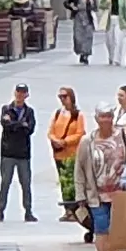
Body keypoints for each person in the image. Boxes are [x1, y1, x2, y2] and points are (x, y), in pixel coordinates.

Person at [82, 109, 126, 251]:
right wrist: (80, 194)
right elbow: (80, 170)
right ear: (96, 119)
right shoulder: (88, 141)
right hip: (97, 193)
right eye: (102, 117)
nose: (106, 120)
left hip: (119, 192)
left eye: (109, 116)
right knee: (101, 228)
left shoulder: (124, 137)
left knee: (115, 229)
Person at [0, 90, 40, 223]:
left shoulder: (29, 111)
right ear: (14, 93)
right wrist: (21, 124)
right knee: (5, 183)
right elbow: (5, 125)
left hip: (23, 153)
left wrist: (15, 124)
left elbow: (30, 129)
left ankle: (28, 211)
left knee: (26, 183)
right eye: (18, 92)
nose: (20, 95)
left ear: (26, 95)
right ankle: (0, 211)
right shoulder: (6, 109)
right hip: (8, 152)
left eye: (23, 93)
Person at [49, 85, 88, 223]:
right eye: (60, 97)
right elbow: (51, 131)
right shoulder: (58, 113)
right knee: (63, 181)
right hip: (59, 153)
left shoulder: (78, 115)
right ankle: (67, 209)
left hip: (72, 153)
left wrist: (66, 141)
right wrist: (55, 140)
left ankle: (75, 209)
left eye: (64, 96)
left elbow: (80, 133)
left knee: (73, 181)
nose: (62, 100)